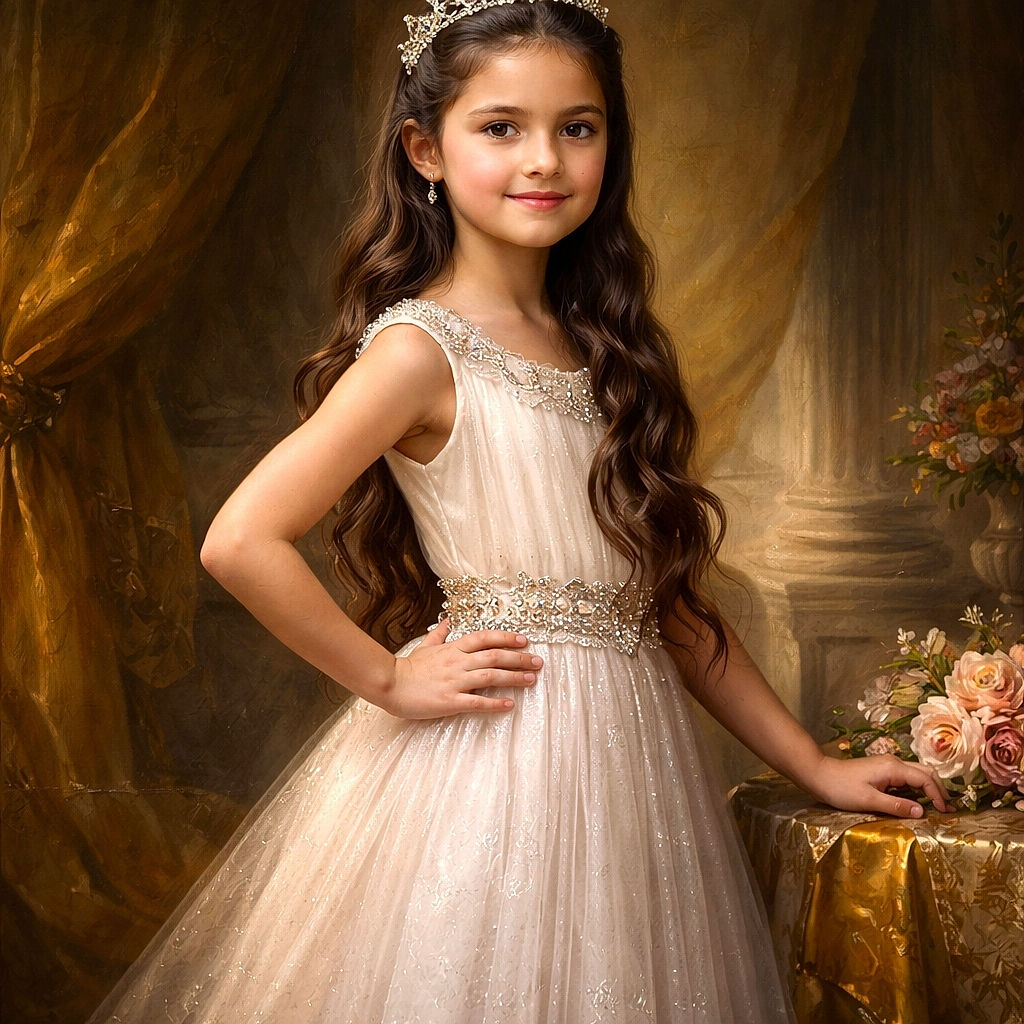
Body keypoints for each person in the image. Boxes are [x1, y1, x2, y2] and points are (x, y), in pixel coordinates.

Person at [91, 2, 951, 1021]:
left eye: (576, 127)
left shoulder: (609, 355)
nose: (543, 158)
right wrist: (387, 680)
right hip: (495, 765)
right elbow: (240, 539)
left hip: (632, 772)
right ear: (425, 150)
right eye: (500, 127)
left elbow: (663, 606)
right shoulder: (419, 350)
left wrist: (811, 761)